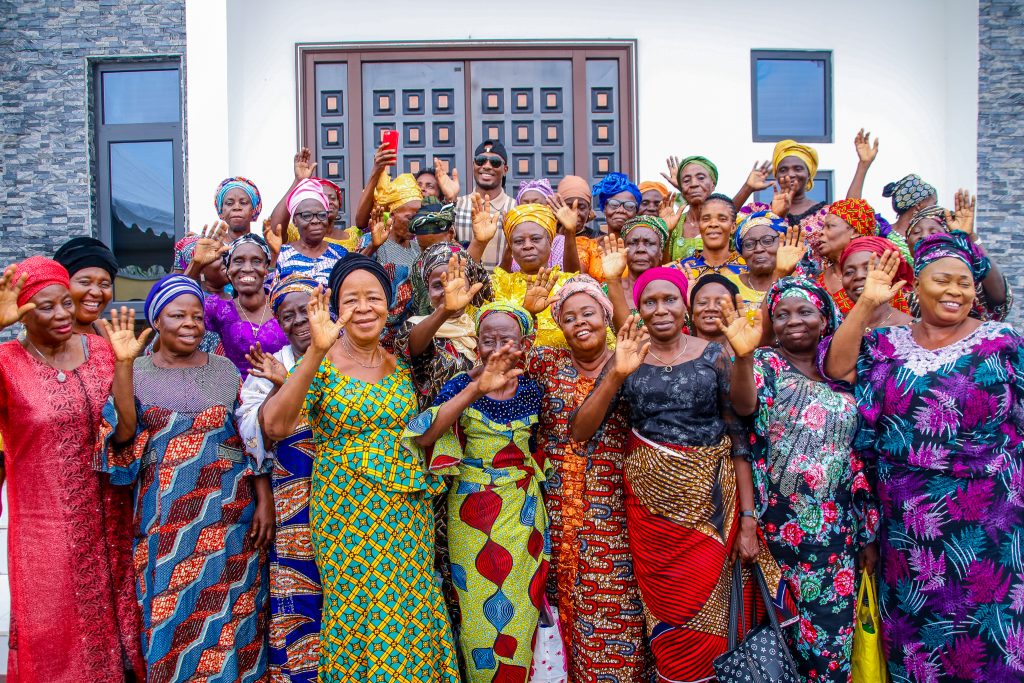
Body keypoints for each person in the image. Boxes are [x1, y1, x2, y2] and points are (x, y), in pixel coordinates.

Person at [570, 267, 793, 683]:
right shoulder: (628, 355)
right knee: (669, 613)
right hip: (652, 517)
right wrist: (617, 372)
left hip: (712, 509)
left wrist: (748, 519)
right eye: (649, 302)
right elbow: (580, 430)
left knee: (720, 617)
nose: (660, 310)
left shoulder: (714, 355)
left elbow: (741, 422)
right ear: (638, 309)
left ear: (684, 305)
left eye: (668, 299)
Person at [821, 233, 1024, 682]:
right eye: (944, 280)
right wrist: (866, 302)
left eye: (965, 284)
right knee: (918, 639)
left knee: (988, 636)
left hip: (989, 518)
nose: (956, 291)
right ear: (915, 288)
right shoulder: (885, 344)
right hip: (910, 522)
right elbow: (836, 367)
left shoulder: (1003, 341)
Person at [260, 256, 459, 682]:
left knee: (414, 606)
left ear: (389, 305)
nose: (364, 307)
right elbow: (275, 426)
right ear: (336, 309)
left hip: (408, 511)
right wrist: (314, 350)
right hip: (348, 510)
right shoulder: (322, 363)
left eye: (374, 298)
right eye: (352, 300)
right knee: (363, 610)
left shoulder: (400, 363)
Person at [98, 274, 273, 682]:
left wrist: (264, 500)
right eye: (178, 315)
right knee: (172, 615)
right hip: (166, 522)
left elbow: (251, 441)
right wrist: (122, 365)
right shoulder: (136, 371)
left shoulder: (226, 371)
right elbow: (122, 437)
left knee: (234, 616)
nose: (191, 323)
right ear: (157, 320)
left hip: (230, 518)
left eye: (197, 316)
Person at [722, 277, 879, 683]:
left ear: (825, 319)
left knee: (831, 645)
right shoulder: (765, 364)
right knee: (780, 640)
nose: (794, 321)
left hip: (836, 534)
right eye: (782, 314)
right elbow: (745, 405)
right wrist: (743, 356)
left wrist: (865, 535)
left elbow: (856, 457)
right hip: (778, 529)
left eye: (805, 311)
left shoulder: (845, 369)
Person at [0, 258, 144, 682]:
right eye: (46, 307)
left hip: (115, 520)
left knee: (123, 634)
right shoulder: (7, 363)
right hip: (46, 529)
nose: (63, 314)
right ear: (22, 313)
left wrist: (123, 366)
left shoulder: (103, 351)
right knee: (55, 635)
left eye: (66, 302)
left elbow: (125, 429)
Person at [404, 301, 548, 683]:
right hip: (472, 510)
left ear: (525, 344)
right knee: (478, 618)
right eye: (488, 339)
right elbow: (426, 434)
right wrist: (474, 388)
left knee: (523, 608)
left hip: (523, 511)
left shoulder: (534, 389)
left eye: (507, 339)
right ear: (476, 344)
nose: (497, 347)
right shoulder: (459, 384)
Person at [530, 276, 651, 683]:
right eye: (568, 317)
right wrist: (529, 312)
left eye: (588, 313)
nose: (580, 323)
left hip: (615, 509)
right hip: (556, 507)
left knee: (618, 609)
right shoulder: (546, 363)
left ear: (606, 315)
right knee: (560, 610)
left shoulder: (635, 360)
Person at [237, 274, 322, 683]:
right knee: (297, 591)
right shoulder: (271, 365)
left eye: (305, 310)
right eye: (287, 317)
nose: (299, 322)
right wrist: (278, 386)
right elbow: (255, 432)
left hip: (349, 494)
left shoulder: (349, 354)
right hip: (293, 499)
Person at [398, 242, 492, 409]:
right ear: (427, 290)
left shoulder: (481, 326)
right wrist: (445, 311)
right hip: (438, 429)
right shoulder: (416, 325)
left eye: (457, 282)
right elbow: (412, 346)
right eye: (437, 285)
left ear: (471, 285)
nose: (447, 290)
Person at [904, 192, 1012, 321]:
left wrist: (970, 237)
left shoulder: (967, 279)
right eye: (916, 232)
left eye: (934, 231)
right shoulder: (900, 280)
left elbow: (1000, 299)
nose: (924, 236)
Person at [483, 203, 575, 348]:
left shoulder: (567, 284)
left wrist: (570, 233)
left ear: (550, 242)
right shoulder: (498, 285)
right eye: (519, 241)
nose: (527, 246)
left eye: (535, 239)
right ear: (511, 248)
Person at [200, 234, 287, 380]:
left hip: (282, 394)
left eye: (256, 261)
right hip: (232, 398)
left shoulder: (284, 307)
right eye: (238, 261)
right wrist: (196, 265)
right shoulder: (217, 309)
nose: (247, 268)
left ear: (266, 269)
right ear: (228, 269)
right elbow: (173, 309)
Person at [363, 171, 424, 349]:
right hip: (377, 337)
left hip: (410, 337)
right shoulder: (372, 242)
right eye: (410, 218)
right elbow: (351, 272)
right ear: (392, 215)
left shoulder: (417, 248)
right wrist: (373, 247)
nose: (416, 223)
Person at [814, 198, 908, 315]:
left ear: (854, 231)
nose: (821, 232)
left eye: (830, 226)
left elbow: (898, 326)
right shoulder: (817, 280)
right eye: (823, 227)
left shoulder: (880, 277)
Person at [269, 148, 362, 249]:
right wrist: (299, 181)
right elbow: (275, 229)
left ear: (339, 204)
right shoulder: (298, 232)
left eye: (332, 198)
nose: (328, 202)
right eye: (322, 197)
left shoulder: (351, 237)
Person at [271, 178, 349, 286]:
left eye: (321, 215)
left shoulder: (340, 253)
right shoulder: (282, 254)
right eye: (307, 216)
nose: (316, 221)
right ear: (294, 221)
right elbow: (269, 291)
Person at [454, 140, 517, 266]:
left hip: (504, 284)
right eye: (481, 160)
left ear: (505, 169)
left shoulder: (516, 208)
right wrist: (448, 199)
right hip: (465, 284)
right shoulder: (457, 205)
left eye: (495, 162)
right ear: (473, 165)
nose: (487, 166)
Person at [840, 237, 914, 330]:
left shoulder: (912, 329)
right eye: (849, 272)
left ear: (892, 274)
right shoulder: (836, 323)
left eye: (869, 268)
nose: (859, 276)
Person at [733, 210, 802, 307]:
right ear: (741, 252)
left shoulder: (798, 286)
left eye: (767, 241)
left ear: (783, 244)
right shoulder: (728, 286)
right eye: (749, 244)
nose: (759, 249)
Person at [53, 236, 119, 335]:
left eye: (104, 284)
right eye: (84, 282)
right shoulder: (45, 338)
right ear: (62, 285)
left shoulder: (107, 331)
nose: (96, 292)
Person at [676, 193, 746, 279]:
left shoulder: (750, 268)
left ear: (733, 227)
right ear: (699, 225)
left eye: (722, 219)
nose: (713, 224)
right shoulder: (680, 270)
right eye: (706, 219)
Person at [665, 156, 718, 261]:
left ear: (713, 184)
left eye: (701, 178)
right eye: (686, 180)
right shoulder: (674, 224)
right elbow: (664, 266)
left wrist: (747, 188)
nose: (693, 184)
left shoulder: (725, 222)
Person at [507, 178, 566, 271]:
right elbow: (502, 275)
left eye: (537, 204)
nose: (530, 208)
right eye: (525, 204)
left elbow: (568, 274)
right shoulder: (515, 242)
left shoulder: (559, 241)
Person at [688, 273, 741, 358]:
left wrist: (745, 358)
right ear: (693, 315)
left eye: (720, 303)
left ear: (735, 312)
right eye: (702, 303)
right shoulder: (676, 358)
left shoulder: (756, 357)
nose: (711, 308)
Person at [881, 173, 937, 238]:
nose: (936, 210)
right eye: (934, 204)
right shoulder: (880, 233)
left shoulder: (883, 232)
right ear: (918, 205)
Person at [592, 172, 641, 239]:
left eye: (629, 206)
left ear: (636, 212)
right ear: (604, 208)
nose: (621, 210)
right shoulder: (588, 247)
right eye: (614, 204)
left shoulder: (643, 248)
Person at [215, 176, 263, 240]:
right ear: (221, 211)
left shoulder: (267, 246)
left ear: (254, 210)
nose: (236, 207)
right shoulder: (207, 246)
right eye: (229, 203)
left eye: (243, 202)